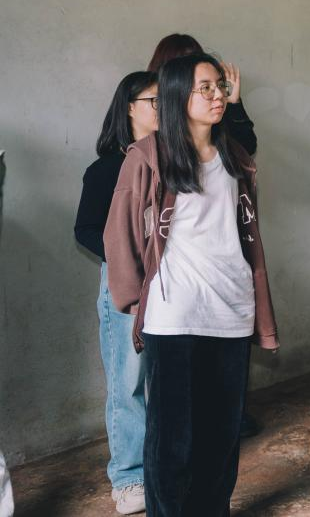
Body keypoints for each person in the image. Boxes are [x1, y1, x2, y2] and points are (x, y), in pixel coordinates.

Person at [104, 53, 279, 517]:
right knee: (171, 439)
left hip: (232, 308)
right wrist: (136, 300)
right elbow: (119, 233)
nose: (218, 95)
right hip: (175, 312)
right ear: (179, 95)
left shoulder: (234, 156)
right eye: (206, 87)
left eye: (220, 85)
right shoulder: (148, 155)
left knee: (221, 435)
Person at [74, 71, 158, 515]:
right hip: (125, 283)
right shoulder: (107, 168)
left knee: (165, 378)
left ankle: (160, 467)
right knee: (128, 382)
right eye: (152, 101)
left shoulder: (175, 159)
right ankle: (128, 478)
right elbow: (85, 229)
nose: (162, 109)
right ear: (129, 107)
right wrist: (127, 257)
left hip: (171, 282)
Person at [148, 33, 257, 155]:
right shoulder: (150, 149)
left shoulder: (214, 103)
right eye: (205, 87)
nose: (194, 64)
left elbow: (247, 148)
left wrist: (233, 103)